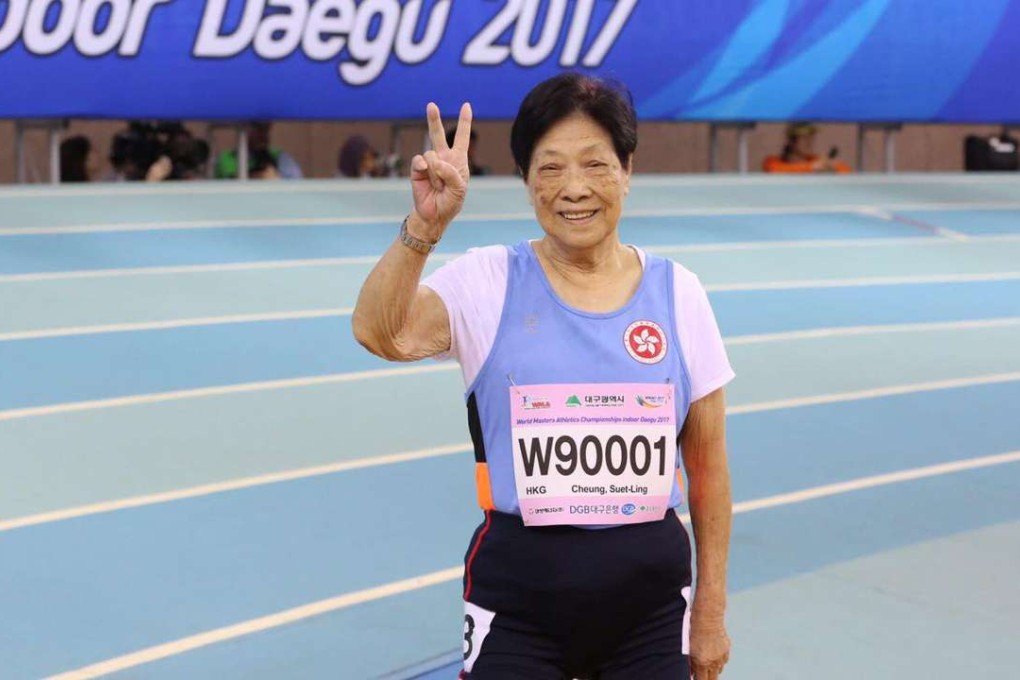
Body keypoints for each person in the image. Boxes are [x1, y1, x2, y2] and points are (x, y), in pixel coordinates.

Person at [353, 73, 734, 680]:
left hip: (651, 602)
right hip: (520, 597)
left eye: (594, 165)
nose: (574, 189)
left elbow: (709, 470)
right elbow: (381, 333)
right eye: (550, 168)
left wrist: (710, 610)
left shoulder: (680, 293)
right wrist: (424, 228)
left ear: (627, 169)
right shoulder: (486, 281)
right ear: (526, 181)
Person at [214, 122, 302, 179]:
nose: (264, 135)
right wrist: (256, 177)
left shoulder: (279, 157)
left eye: (266, 130)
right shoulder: (224, 158)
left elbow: (295, 184)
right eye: (259, 129)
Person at [763, 122, 852, 173]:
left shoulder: (815, 159)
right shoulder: (773, 161)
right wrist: (811, 167)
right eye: (805, 139)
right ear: (791, 142)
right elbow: (774, 169)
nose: (809, 143)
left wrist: (831, 166)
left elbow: (845, 170)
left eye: (811, 138)